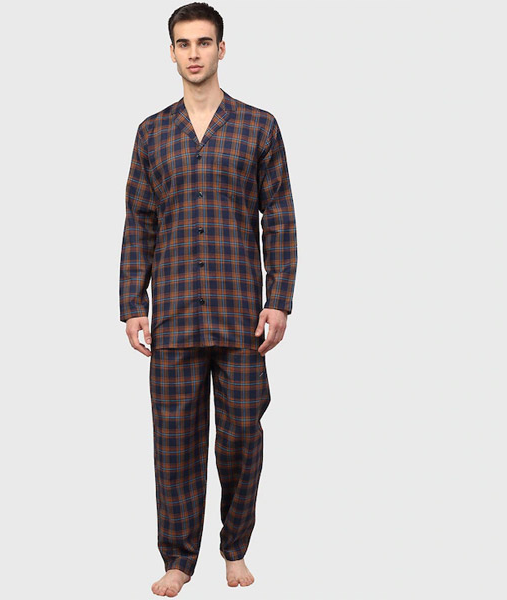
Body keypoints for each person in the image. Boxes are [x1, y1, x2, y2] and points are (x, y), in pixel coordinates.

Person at [119, 2, 298, 596]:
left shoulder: (258, 127)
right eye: (183, 43)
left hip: (241, 312)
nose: (193, 53)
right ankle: (178, 558)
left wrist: (280, 299)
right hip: (173, 313)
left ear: (222, 49)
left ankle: (235, 546)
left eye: (203, 42)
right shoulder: (152, 133)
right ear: (171, 52)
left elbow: (279, 217)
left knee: (242, 432)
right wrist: (133, 302)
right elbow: (139, 222)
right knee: (175, 440)